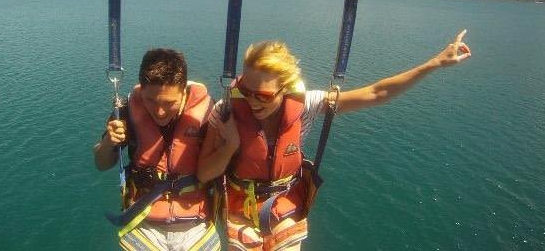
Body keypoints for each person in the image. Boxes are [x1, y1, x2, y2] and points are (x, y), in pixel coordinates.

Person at [198, 30, 472, 251]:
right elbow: (204, 173)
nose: (253, 100)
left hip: (284, 206)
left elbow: (377, 93)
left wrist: (434, 63)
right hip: (239, 210)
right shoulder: (227, 111)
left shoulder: (306, 105)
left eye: (264, 95)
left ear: (285, 89)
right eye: (247, 90)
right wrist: (231, 145)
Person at [94, 48, 221, 251]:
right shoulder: (128, 111)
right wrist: (109, 142)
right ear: (141, 90)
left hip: (196, 222)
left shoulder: (207, 113)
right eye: (150, 100)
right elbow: (101, 163)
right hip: (143, 221)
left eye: (169, 103)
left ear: (184, 92)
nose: (159, 111)